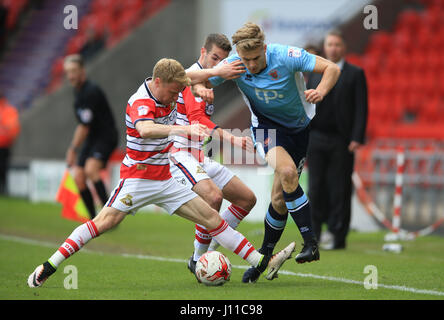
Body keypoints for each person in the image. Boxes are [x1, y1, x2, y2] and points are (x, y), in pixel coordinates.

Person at [27, 58, 295, 288]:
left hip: (165, 178)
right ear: (158, 82)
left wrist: (215, 73)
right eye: (173, 91)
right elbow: (146, 129)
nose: (176, 96)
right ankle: (49, 266)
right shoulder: (140, 101)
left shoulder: (170, 84)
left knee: (212, 218)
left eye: (179, 90)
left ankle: (263, 262)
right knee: (104, 223)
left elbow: (193, 76)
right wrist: (183, 129)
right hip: (137, 179)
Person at [192, 22, 341, 283]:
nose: (249, 65)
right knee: (286, 171)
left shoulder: (285, 55)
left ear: (264, 48)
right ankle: (311, 242)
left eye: (255, 58)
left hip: (299, 129)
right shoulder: (235, 65)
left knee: (280, 199)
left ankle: (263, 260)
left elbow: (331, 68)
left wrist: (321, 91)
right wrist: (200, 88)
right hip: (266, 129)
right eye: (245, 59)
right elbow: (198, 76)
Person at [169, 33, 257, 274]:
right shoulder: (190, 79)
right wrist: (233, 140)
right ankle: (199, 258)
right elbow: (198, 118)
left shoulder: (207, 81)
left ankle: (207, 250)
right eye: (214, 57)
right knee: (214, 198)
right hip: (179, 153)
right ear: (203, 52)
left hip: (198, 154)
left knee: (247, 199)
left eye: (221, 61)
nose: (216, 64)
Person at [306, 30, 368, 250]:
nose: (333, 48)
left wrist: (357, 137)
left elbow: (362, 108)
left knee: (339, 188)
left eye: (337, 44)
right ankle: (313, 235)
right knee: (315, 188)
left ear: (344, 47)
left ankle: (338, 235)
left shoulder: (355, 73)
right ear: (325, 47)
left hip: (342, 141)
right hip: (316, 138)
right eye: (329, 44)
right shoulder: (314, 73)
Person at [64, 54, 119, 218]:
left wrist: (73, 149)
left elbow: (84, 126)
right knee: (79, 177)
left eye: (74, 71)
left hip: (105, 136)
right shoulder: (78, 92)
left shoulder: (90, 91)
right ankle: (93, 220)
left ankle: (109, 216)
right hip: (93, 137)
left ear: (82, 71)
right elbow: (84, 126)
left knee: (90, 169)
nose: (71, 76)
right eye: (68, 72)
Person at [0, 92, 20, 194]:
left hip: (4, 146)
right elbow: (13, 128)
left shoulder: (9, 110)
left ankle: (3, 189)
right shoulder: (10, 110)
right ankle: (4, 188)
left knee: (3, 167)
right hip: (5, 145)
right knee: (4, 167)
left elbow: (13, 128)